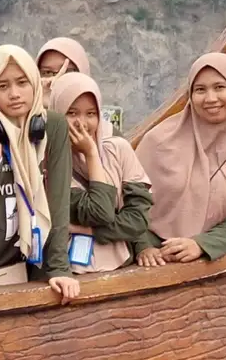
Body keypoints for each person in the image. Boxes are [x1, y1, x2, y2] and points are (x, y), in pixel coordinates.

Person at [0, 45, 78, 300]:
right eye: (2, 86)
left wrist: (59, 268)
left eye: (22, 83)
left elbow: (58, 200)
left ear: (34, 81)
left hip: (41, 266)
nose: (14, 94)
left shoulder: (51, 127)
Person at [136, 52, 226, 266]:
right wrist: (143, 246)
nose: (210, 98)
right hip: (150, 260)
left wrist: (201, 244)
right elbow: (128, 203)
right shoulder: (158, 142)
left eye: (220, 87)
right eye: (200, 90)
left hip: (215, 263)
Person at [48, 72, 154, 273]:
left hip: (123, 265)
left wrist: (88, 230)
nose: (82, 123)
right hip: (73, 272)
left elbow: (138, 220)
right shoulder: (49, 162)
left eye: (91, 113)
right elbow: (100, 212)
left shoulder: (117, 149)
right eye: (71, 113)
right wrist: (91, 155)